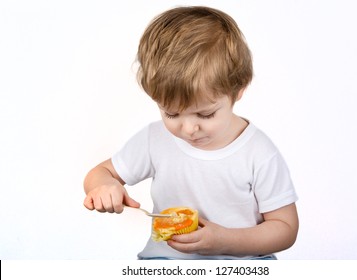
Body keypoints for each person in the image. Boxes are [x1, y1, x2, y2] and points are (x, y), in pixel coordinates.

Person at [83, 6, 299, 260]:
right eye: (171, 114)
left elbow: (285, 229)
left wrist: (223, 241)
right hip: (166, 263)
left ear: (238, 90)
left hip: (243, 265)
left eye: (205, 115)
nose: (187, 129)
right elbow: (100, 173)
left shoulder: (258, 153)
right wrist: (104, 186)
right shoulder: (155, 140)